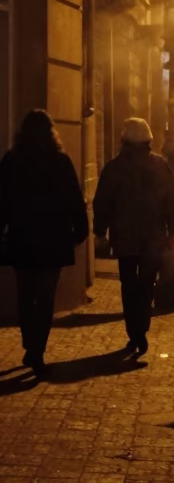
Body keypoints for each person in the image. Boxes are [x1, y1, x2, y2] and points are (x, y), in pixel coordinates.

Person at [0, 110, 88, 376]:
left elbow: (1, 200)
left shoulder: (12, 161)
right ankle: (38, 349)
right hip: (53, 237)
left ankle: (30, 342)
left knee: (26, 294)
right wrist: (80, 230)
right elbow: (75, 198)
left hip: (23, 237)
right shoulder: (60, 161)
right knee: (46, 295)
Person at [93, 117, 174, 355]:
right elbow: (173, 200)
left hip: (125, 238)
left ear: (124, 140)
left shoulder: (114, 168)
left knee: (129, 284)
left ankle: (134, 331)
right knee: (147, 284)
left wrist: (100, 231)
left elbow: (103, 202)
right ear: (148, 140)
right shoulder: (160, 166)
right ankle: (141, 328)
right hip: (153, 237)